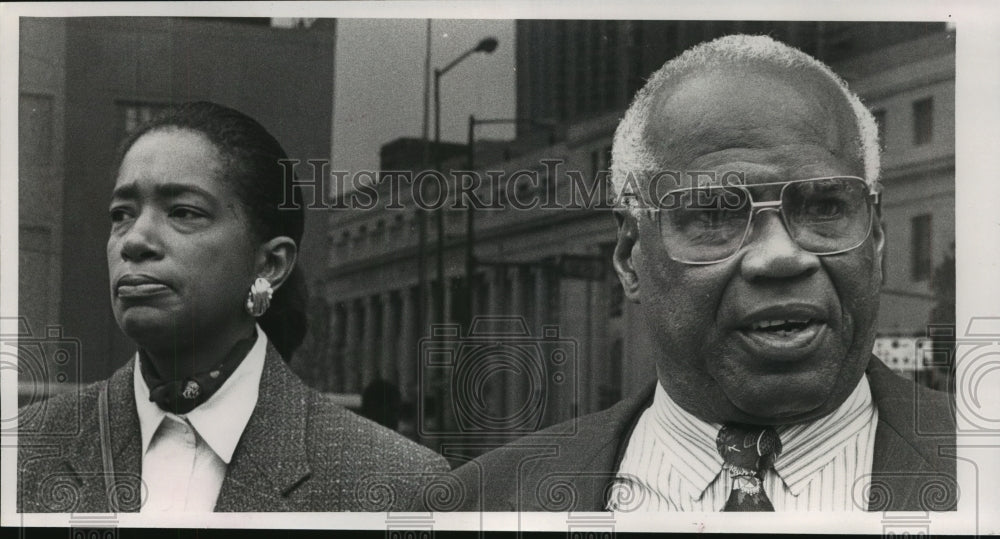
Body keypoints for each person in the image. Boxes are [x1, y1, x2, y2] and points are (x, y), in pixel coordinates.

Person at [443, 35, 956, 512]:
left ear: (878, 238)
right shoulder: (479, 506)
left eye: (824, 206)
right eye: (714, 214)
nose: (779, 257)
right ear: (628, 258)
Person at [18, 101, 448, 512]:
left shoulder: (395, 481)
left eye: (184, 212)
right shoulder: (25, 452)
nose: (133, 240)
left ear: (269, 264)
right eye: (121, 213)